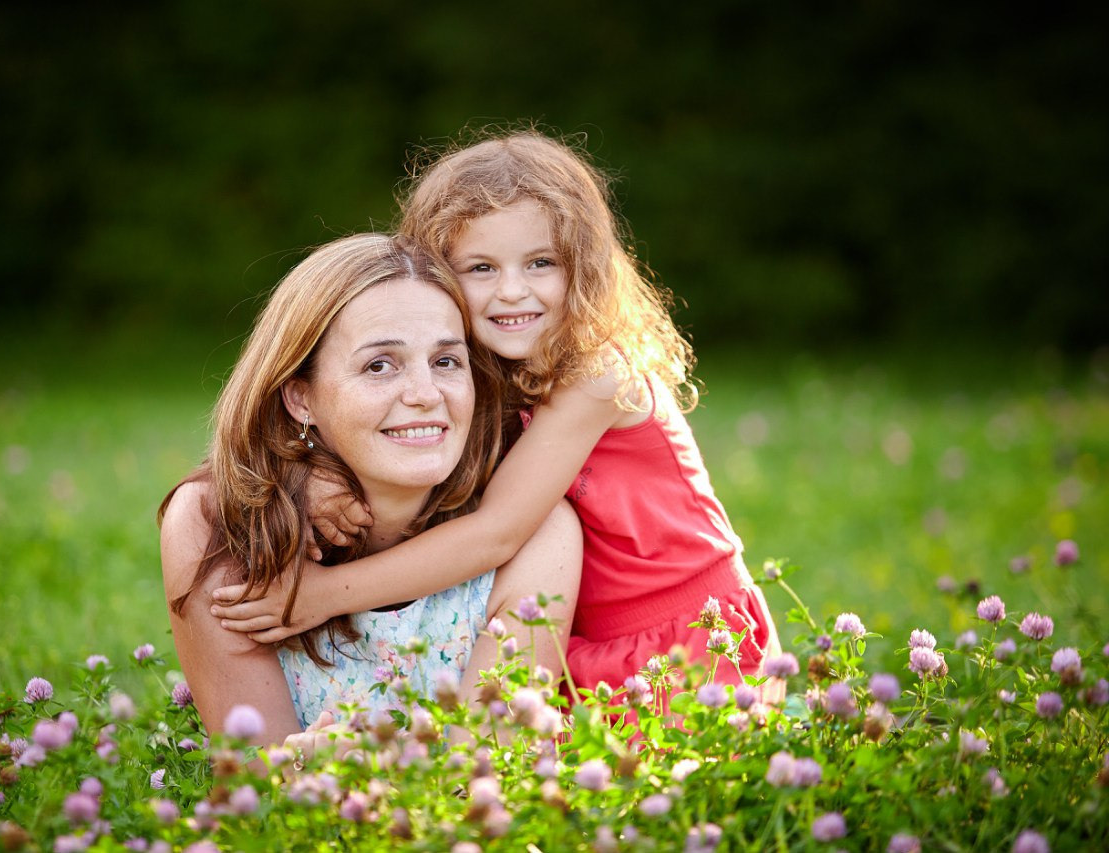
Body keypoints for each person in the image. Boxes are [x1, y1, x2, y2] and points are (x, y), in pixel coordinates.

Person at [212, 130, 780, 697]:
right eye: (480, 268)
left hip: (692, 640)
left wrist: (322, 596)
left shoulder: (597, 376)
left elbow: (494, 534)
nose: (512, 291)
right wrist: (316, 472)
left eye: (540, 263)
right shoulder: (471, 373)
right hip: (584, 641)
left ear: (583, 268)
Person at [159, 233, 581, 741]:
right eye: (379, 365)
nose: (426, 395)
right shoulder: (219, 524)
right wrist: (298, 773)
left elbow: (488, 777)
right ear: (301, 399)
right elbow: (250, 785)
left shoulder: (538, 535)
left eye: (447, 361)